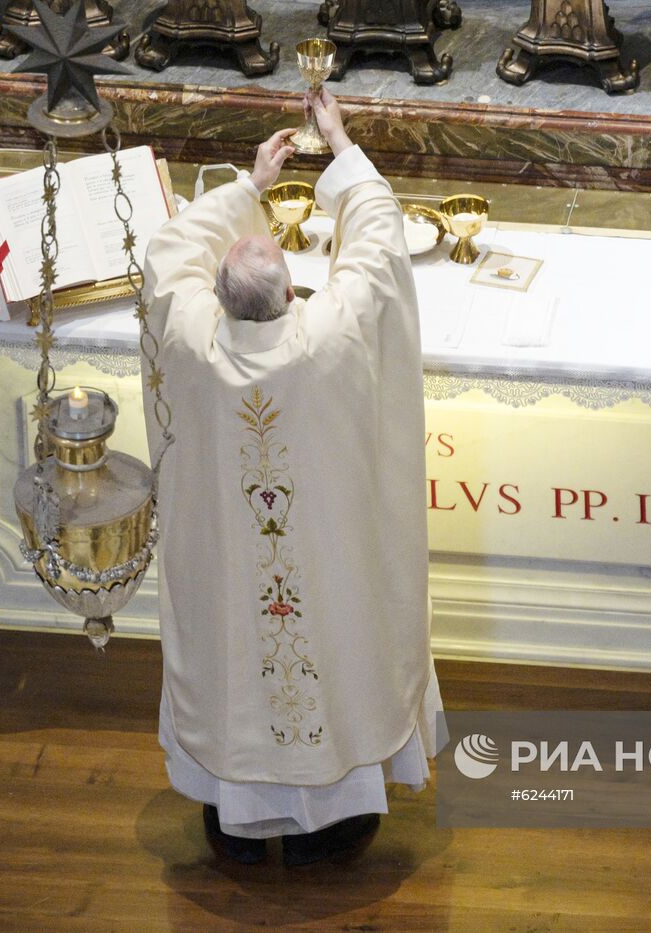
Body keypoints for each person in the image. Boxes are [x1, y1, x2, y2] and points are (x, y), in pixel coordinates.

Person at [141, 89, 448, 867]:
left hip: (233, 579)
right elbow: (376, 247)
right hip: (323, 561)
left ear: (222, 296)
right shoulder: (329, 335)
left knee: (242, 653)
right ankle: (336, 819)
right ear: (290, 295)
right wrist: (339, 145)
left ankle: (238, 811)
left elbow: (166, 256)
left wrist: (249, 187)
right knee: (333, 645)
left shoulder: (188, 335)